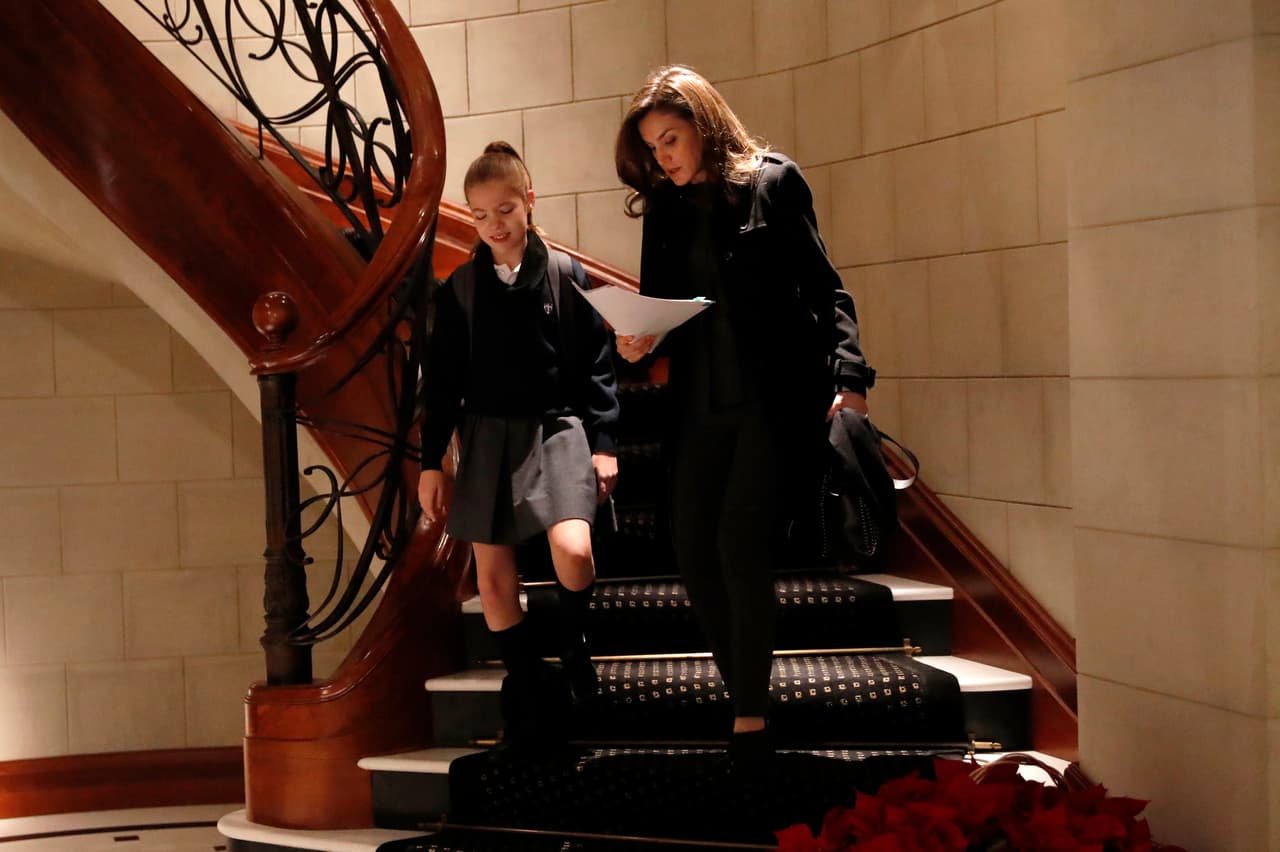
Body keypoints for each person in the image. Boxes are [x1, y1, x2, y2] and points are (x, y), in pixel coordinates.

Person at [613, 66, 873, 762]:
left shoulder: (773, 181)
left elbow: (828, 288)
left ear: (703, 124)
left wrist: (851, 377)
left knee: (737, 545)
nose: (663, 156)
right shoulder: (666, 209)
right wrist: (637, 338)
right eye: (652, 146)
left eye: (671, 138)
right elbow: (660, 308)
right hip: (696, 405)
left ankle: (750, 717)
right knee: (692, 554)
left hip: (768, 402)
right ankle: (746, 694)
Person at [418, 141, 620, 737]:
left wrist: (604, 442)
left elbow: (597, 365)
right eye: (478, 215)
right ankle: (527, 679)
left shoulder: (564, 274)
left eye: (504, 209)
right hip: (484, 436)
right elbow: (443, 383)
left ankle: (573, 643)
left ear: (529, 202)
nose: (492, 225)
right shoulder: (459, 288)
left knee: (574, 552)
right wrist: (433, 462)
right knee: (493, 581)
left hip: (557, 427)